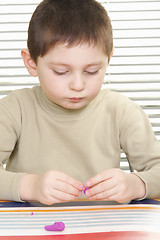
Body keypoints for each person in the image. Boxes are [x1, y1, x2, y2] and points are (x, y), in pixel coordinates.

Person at [0, 0, 160, 205]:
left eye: (92, 71)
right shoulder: (14, 109)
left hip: (105, 230)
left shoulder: (121, 111)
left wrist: (136, 184)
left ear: (108, 60)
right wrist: (30, 186)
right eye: (61, 72)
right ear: (32, 64)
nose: (78, 85)